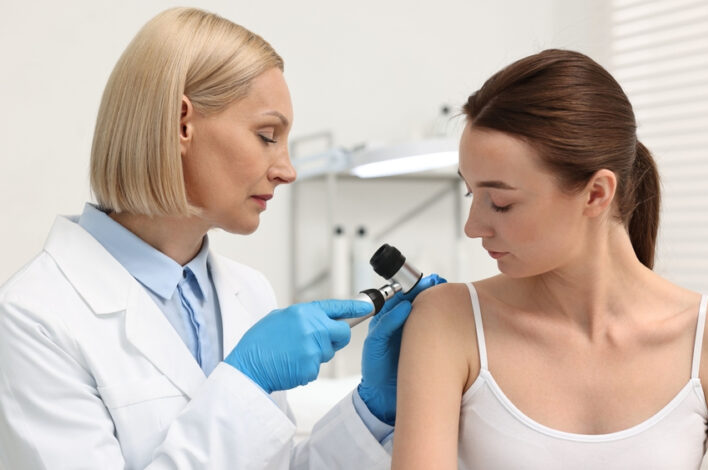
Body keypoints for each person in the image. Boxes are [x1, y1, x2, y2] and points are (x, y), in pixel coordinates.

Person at [0, 7, 444, 469]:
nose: (287, 170)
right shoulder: (34, 317)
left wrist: (371, 412)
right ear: (181, 124)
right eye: (267, 135)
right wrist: (246, 382)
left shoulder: (248, 291)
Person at [391, 49, 708, 469]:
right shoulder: (450, 320)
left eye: (500, 203)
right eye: (471, 192)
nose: (473, 226)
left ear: (596, 194)